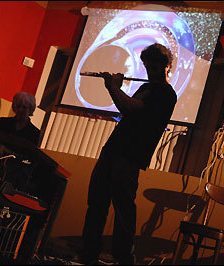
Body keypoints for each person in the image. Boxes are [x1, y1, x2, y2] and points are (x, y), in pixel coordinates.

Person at [80, 43, 177, 265]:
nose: (150, 72)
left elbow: (131, 108)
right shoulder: (147, 88)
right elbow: (127, 107)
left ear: (165, 66)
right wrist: (115, 88)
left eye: (154, 68)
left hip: (130, 155)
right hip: (114, 149)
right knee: (97, 201)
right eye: (147, 67)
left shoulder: (164, 93)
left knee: (123, 208)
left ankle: (123, 257)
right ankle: (89, 253)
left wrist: (113, 87)